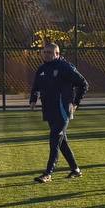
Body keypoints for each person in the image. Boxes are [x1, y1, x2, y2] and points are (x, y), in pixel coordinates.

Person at [28, 41, 88, 183]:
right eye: (45, 52)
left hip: (63, 110)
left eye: (50, 52)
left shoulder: (65, 67)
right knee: (62, 142)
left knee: (54, 139)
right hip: (49, 110)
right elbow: (36, 85)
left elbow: (84, 84)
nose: (47, 55)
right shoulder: (42, 68)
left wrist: (75, 103)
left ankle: (48, 173)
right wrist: (33, 99)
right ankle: (76, 169)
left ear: (57, 54)